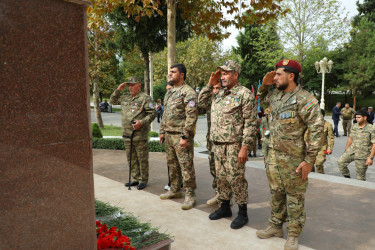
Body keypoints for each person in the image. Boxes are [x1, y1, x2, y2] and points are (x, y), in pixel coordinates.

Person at [256, 59, 324, 250]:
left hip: (294, 159)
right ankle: (276, 226)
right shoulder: (275, 95)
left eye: (278, 74)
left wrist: (309, 160)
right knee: (276, 193)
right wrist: (264, 85)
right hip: (272, 156)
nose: (275, 77)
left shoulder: (305, 99)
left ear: (291, 76)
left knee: (294, 197)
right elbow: (262, 102)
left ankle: (293, 234)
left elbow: (317, 130)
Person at [198, 60, 257, 229]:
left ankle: (243, 212)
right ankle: (224, 207)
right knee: (221, 177)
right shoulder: (218, 93)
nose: (222, 76)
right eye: (221, 73)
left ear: (235, 75)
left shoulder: (244, 94)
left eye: (226, 73)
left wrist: (245, 147)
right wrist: (210, 84)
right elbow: (201, 104)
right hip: (217, 144)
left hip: (234, 145)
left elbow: (250, 123)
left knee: (236, 179)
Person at [159, 64, 198, 210]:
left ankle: (190, 195)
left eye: (173, 72)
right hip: (169, 135)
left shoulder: (188, 92)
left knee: (186, 166)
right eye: (169, 72)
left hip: (180, 136)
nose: (170, 74)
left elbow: (191, 116)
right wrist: (162, 131)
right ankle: (175, 189)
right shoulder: (169, 92)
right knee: (172, 165)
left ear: (182, 75)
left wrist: (185, 136)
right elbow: (165, 114)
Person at [110, 77, 156, 190]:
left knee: (142, 158)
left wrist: (141, 122)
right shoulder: (125, 97)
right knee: (131, 158)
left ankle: (143, 180)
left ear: (139, 85)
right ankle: (135, 178)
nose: (130, 87)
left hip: (139, 135)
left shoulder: (146, 98)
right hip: (127, 134)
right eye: (129, 85)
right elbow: (112, 101)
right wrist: (118, 90)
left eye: (132, 85)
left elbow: (152, 113)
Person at [197, 81, 222, 206]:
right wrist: (207, 86)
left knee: (226, 171)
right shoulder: (210, 102)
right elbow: (199, 103)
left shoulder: (228, 101)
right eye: (213, 88)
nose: (215, 91)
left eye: (218, 88)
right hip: (211, 141)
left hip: (225, 142)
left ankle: (226, 196)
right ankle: (218, 193)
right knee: (213, 168)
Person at [337, 109, 375, 181]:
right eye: (356, 117)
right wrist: (346, 149)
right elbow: (350, 138)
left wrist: (371, 158)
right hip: (352, 151)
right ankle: (348, 178)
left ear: (365, 117)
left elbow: (374, 144)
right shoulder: (354, 126)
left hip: (363, 155)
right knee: (340, 163)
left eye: (359, 117)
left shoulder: (371, 128)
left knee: (360, 177)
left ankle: (360, 190)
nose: (356, 119)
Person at [305, 109, 334, 174]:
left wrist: (330, 148)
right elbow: (306, 134)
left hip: (322, 147)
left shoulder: (328, 125)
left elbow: (331, 137)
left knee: (319, 163)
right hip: (311, 147)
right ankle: (312, 177)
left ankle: (321, 176)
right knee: (310, 164)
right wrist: (305, 142)